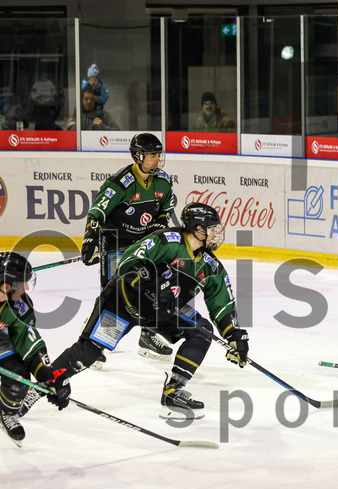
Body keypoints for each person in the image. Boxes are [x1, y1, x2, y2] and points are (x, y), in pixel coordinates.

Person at [46, 203, 248, 420]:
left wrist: (234, 335)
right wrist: (150, 286)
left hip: (159, 313)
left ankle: (173, 393)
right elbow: (129, 262)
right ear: (197, 228)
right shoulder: (166, 241)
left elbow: (223, 304)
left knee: (202, 331)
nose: (216, 234)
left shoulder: (211, 267)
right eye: (211, 228)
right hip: (123, 303)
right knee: (89, 351)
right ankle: (39, 386)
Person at [80, 132, 176, 366]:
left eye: (158, 153)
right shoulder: (119, 183)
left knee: (154, 289)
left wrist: (159, 225)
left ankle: (148, 335)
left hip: (143, 244)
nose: (157, 158)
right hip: (115, 241)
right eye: (152, 154)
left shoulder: (163, 181)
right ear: (138, 155)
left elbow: (165, 210)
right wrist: (90, 240)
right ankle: (93, 345)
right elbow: (97, 213)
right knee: (115, 294)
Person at [0, 253, 72, 445]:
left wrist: (49, 376)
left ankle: (6, 412)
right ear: (5, 285)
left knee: (18, 375)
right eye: (21, 283)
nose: (26, 288)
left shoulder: (19, 305)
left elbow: (28, 342)